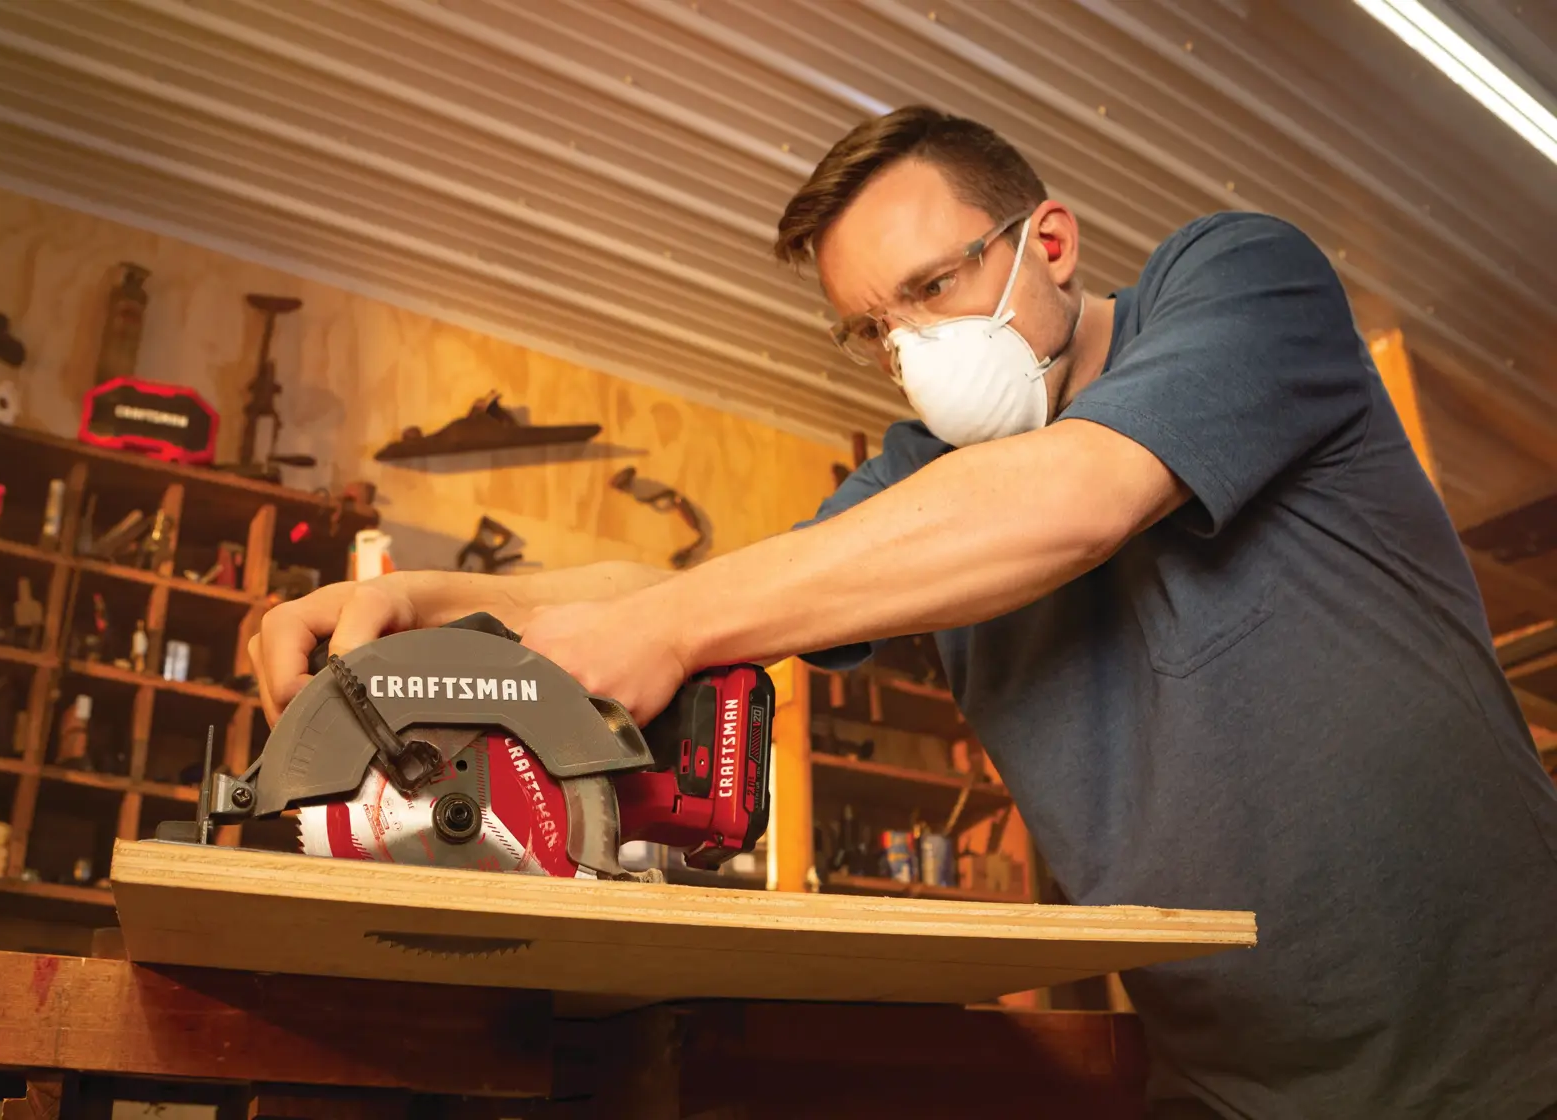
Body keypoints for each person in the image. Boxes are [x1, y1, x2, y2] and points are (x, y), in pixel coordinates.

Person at [250, 106, 1557, 1119]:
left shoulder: (1240, 282)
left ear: (1048, 242)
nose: (908, 352)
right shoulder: (916, 479)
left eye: (929, 290)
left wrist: (679, 632)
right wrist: (421, 597)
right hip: (1231, 1082)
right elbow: (694, 594)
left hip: (1513, 1043)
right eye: (871, 328)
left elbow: (1081, 496)